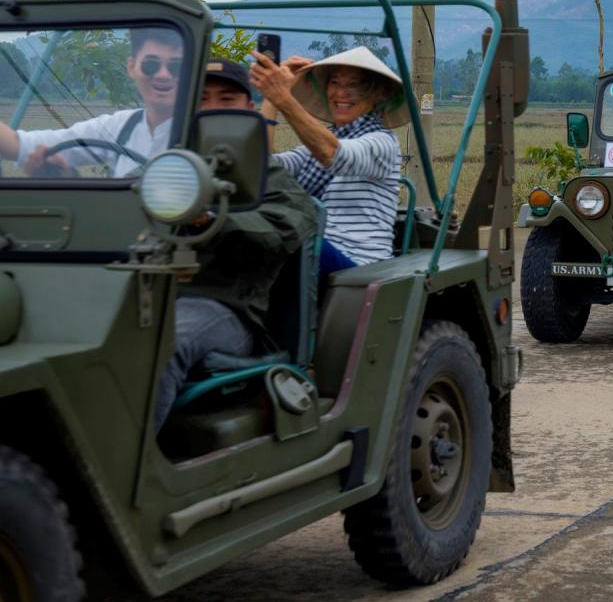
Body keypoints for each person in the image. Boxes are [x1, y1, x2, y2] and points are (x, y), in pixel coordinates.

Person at [154, 60, 317, 428]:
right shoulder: (164, 167)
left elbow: (282, 229)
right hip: (146, 296)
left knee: (160, 345)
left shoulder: (269, 177)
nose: (212, 109)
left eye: (226, 98)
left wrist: (214, 219)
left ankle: (122, 472)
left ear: (248, 109)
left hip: (224, 309)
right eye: (202, 100)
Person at [251, 45, 405, 273]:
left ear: (378, 94)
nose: (341, 93)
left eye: (354, 85)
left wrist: (283, 97)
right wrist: (271, 100)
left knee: (290, 237)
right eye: (334, 83)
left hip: (359, 261)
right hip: (317, 251)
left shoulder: (383, 143)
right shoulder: (313, 150)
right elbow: (261, 168)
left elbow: (335, 156)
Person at [0, 27, 185, 177]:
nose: (163, 75)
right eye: (151, 64)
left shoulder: (201, 130)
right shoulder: (122, 126)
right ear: (131, 67)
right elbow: (22, 145)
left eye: (175, 66)